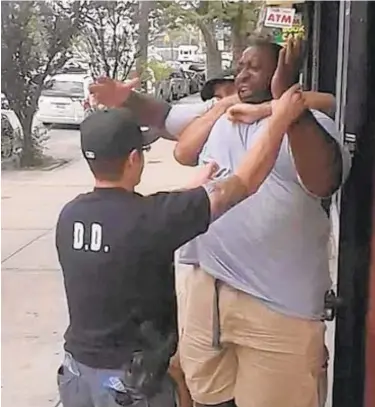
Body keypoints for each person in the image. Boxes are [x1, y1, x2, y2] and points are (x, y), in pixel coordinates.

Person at [89, 37, 351, 407]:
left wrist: (289, 109)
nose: (242, 74)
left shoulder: (314, 125)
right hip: (207, 295)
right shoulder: (218, 118)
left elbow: (324, 180)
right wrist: (124, 97)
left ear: (281, 73)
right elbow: (164, 117)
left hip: (276, 309)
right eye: (240, 65)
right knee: (208, 397)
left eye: (254, 67)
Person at [56, 86, 307, 407]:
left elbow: (130, 221)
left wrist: (194, 191)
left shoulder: (71, 215)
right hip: (129, 386)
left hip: (77, 375)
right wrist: (279, 120)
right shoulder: (151, 220)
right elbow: (245, 182)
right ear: (134, 159)